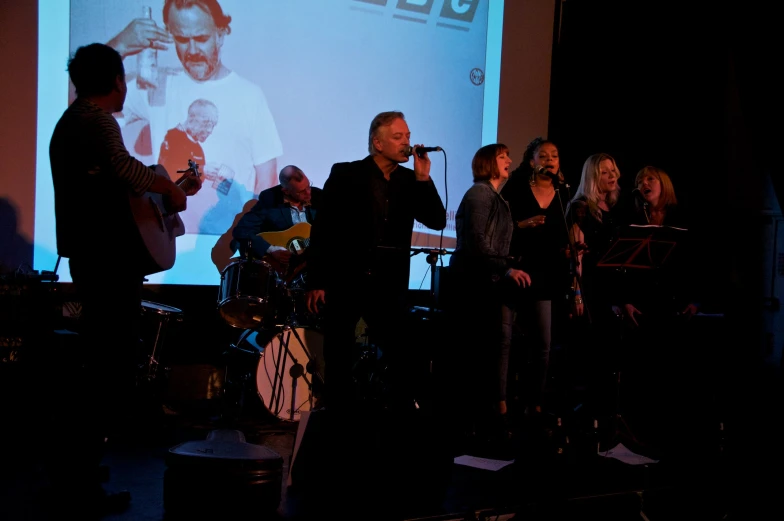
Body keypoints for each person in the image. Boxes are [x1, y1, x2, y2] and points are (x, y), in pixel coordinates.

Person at [47, 42, 201, 517]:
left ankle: (80, 470)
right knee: (106, 369)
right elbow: (126, 169)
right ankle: (79, 484)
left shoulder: (73, 122)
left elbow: (116, 185)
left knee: (99, 365)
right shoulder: (96, 121)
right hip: (106, 262)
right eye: (124, 79)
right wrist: (169, 187)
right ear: (117, 81)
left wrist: (168, 188)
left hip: (98, 258)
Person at [297, 111, 447, 519]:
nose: (406, 142)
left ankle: (396, 443)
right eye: (398, 137)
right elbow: (324, 230)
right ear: (377, 142)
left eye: (408, 135)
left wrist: (423, 176)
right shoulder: (345, 174)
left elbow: (435, 218)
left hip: (388, 286)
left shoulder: (406, 180)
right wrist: (317, 279)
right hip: (346, 281)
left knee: (403, 355)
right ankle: (339, 446)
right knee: (340, 360)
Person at [108, 0, 283, 235]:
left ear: (220, 35)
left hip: (227, 245)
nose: (191, 51)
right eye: (181, 39)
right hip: (167, 241)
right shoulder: (155, 86)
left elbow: (267, 179)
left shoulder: (249, 95)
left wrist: (252, 239)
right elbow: (80, 101)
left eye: (201, 39)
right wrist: (119, 46)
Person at [447, 143, 531, 450]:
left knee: (495, 349)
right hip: (474, 285)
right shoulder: (480, 194)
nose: (509, 160)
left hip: (488, 283)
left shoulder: (495, 197)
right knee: (480, 352)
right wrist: (506, 270)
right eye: (502, 156)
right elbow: (478, 242)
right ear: (488, 163)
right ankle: (482, 423)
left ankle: (492, 417)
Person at [614, 166, 703, 453]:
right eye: (639, 180)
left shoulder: (682, 218)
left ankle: (672, 436)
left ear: (663, 184)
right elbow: (621, 266)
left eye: (650, 179)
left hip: (673, 303)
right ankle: (640, 435)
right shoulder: (632, 218)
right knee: (641, 370)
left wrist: (695, 299)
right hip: (641, 305)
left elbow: (699, 262)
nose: (643, 183)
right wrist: (624, 300)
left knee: (671, 371)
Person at [500, 137, 572, 418]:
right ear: (532, 161)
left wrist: (570, 247)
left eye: (554, 155)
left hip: (546, 275)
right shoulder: (517, 187)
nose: (550, 160)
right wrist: (521, 225)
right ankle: (501, 401)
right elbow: (500, 228)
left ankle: (535, 402)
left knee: (542, 343)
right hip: (516, 270)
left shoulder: (564, 193)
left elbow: (565, 235)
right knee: (505, 342)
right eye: (543, 155)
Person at [565, 152, 624, 416]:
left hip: (609, 288)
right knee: (591, 354)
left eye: (613, 170)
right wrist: (577, 294)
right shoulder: (580, 207)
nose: (612, 176)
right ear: (592, 176)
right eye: (605, 172)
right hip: (590, 288)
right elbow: (575, 256)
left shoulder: (611, 209)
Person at [231, 165, 324, 328]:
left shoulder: (319, 197)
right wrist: (271, 250)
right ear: (286, 191)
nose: (308, 193)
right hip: (284, 274)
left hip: (314, 271)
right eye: (301, 192)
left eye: (308, 186)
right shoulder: (270, 199)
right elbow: (242, 230)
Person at [156, 98, 217, 191]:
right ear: (191, 118)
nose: (210, 131)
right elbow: (170, 171)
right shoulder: (173, 137)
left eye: (212, 125)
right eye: (206, 123)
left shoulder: (197, 148)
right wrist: (202, 170)